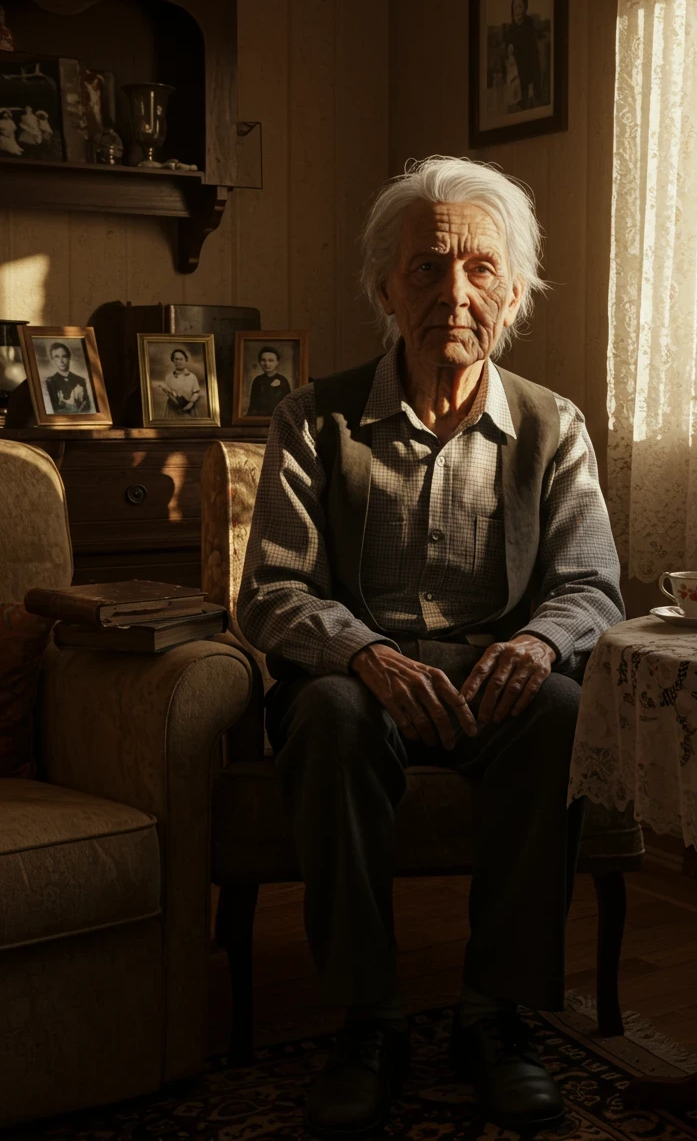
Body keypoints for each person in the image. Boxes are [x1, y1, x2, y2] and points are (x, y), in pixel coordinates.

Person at [238, 155, 624, 1137]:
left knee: (560, 711)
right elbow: (271, 591)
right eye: (426, 268)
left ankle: (495, 1016)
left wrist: (537, 644)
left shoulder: (553, 426)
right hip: (360, 677)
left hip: (494, 678)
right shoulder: (313, 420)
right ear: (384, 289)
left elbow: (590, 585)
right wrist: (364, 654)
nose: (454, 293)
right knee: (327, 717)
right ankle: (368, 1021)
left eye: (480, 268)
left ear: (514, 293)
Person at [507, 0, 541, 110]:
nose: (517, 10)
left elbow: (533, 50)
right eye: (515, 7)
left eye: (520, 6)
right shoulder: (511, 28)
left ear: (525, 8)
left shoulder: (529, 24)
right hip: (516, 69)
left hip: (529, 66)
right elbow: (508, 47)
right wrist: (509, 48)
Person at [43, 342, 94, 414]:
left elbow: (88, 408)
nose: (61, 361)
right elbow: (53, 409)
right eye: (57, 357)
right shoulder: (49, 382)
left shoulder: (81, 380)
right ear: (52, 360)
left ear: (69, 358)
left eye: (64, 356)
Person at [155, 347, 201, 418]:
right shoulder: (168, 377)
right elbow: (169, 393)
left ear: (185, 360)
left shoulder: (192, 377)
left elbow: (196, 392)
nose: (178, 362)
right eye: (176, 359)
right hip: (172, 409)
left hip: (189, 408)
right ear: (173, 361)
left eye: (181, 359)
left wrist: (190, 405)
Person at [246, 345, 292, 416]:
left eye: (271, 360)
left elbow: (288, 405)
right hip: (259, 419)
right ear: (259, 362)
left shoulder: (283, 381)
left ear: (277, 362)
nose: (267, 364)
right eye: (263, 360)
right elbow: (253, 406)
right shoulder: (257, 380)